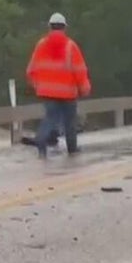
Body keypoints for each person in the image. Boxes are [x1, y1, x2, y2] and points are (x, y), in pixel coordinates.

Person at [26, 12, 91, 159]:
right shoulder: (70, 46)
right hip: (68, 93)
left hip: (47, 92)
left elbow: (31, 69)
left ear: (49, 27)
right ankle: (72, 149)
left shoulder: (41, 45)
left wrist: (36, 85)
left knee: (50, 118)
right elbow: (80, 70)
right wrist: (84, 88)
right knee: (70, 122)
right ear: (64, 28)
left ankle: (41, 142)